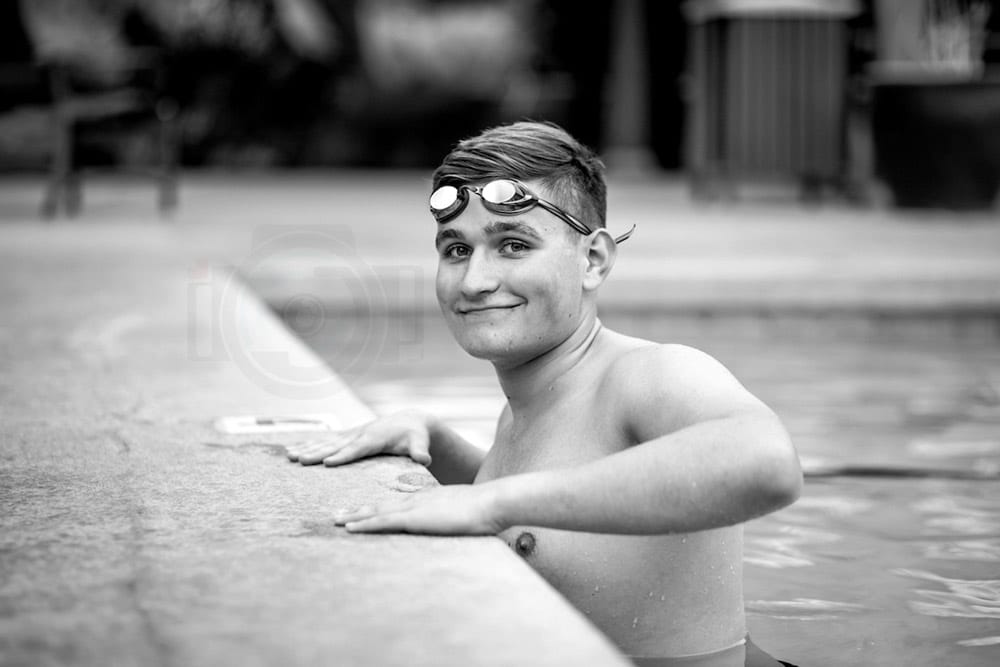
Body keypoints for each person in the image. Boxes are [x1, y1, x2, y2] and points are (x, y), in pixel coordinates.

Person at [285, 121, 802, 666]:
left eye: (513, 245)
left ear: (593, 260)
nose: (474, 281)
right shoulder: (529, 410)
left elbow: (767, 465)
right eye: (456, 250)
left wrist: (492, 501)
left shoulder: (650, 374)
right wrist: (439, 446)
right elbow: (560, 518)